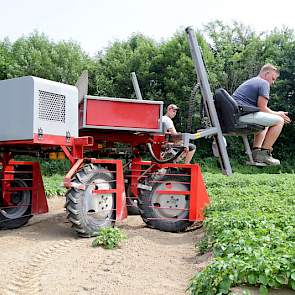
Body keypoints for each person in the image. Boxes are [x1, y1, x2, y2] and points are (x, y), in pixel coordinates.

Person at [232, 63, 291, 165]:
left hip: (236, 115)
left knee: (267, 121)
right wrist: (279, 114)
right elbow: (262, 108)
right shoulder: (263, 83)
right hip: (241, 115)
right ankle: (264, 153)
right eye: (273, 78)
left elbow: (261, 110)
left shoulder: (253, 81)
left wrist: (275, 114)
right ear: (266, 73)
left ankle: (256, 152)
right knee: (279, 121)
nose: (273, 82)